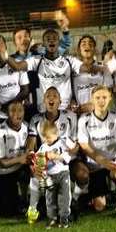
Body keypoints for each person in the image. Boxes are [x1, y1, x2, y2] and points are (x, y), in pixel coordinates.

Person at [73, 85, 116, 216]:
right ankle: (85, 196)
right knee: (100, 206)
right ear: (92, 100)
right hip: (95, 166)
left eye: (104, 97)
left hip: (113, 164)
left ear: (110, 98)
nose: (101, 101)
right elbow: (84, 145)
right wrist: (102, 161)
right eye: (97, 98)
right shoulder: (84, 120)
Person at [26, 87, 78, 223]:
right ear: (43, 101)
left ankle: (75, 202)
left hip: (67, 162)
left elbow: (76, 146)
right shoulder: (36, 119)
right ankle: (33, 209)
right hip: (46, 163)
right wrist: (35, 161)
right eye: (48, 96)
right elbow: (31, 146)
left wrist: (62, 155)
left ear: (60, 101)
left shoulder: (70, 117)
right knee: (36, 174)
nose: (51, 98)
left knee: (82, 173)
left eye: (55, 96)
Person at [5, 28, 82, 113]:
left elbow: (64, 44)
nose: (23, 40)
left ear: (30, 39)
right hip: (23, 103)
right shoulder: (11, 60)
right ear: (14, 41)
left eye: (26, 36)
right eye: (19, 37)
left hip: (43, 102)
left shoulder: (40, 54)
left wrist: (65, 29)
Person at [0, 101, 31, 217]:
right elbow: (0, 163)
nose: (17, 114)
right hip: (4, 173)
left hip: (22, 169)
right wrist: (19, 159)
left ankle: (27, 199)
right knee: (7, 211)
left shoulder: (27, 127)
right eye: (13, 111)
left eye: (20, 110)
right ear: (7, 114)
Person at [33, 120, 72, 228]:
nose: (46, 140)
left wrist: (56, 157)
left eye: (48, 137)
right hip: (50, 176)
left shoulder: (62, 144)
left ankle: (64, 218)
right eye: (44, 137)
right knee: (50, 198)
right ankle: (52, 218)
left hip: (62, 174)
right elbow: (39, 161)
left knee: (64, 197)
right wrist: (41, 163)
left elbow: (68, 158)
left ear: (56, 134)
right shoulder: (43, 147)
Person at [72, 34, 113, 115]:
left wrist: (94, 105)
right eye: (83, 44)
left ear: (94, 49)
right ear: (79, 50)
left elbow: (109, 91)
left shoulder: (103, 67)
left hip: (100, 113)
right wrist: (74, 106)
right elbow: (71, 95)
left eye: (90, 44)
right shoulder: (73, 70)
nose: (87, 45)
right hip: (81, 115)